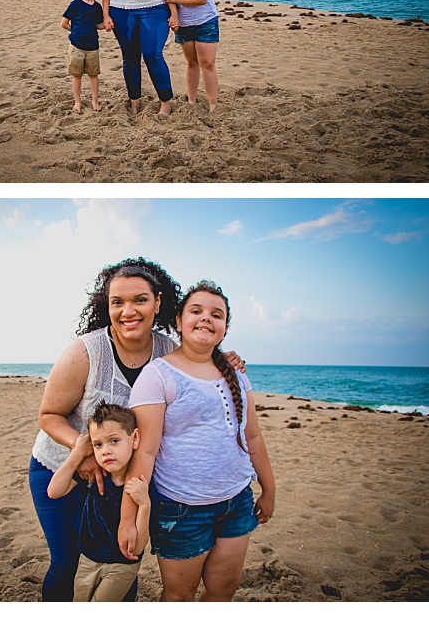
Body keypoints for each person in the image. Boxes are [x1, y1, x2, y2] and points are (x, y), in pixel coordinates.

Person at [28, 257, 184, 601]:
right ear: (107, 307)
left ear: (158, 303)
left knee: (121, 563)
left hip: (121, 480)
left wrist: (227, 360)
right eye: (118, 302)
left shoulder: (170, 353)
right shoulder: (86, 352)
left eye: (139, 300)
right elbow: (49, 415)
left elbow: (203, 369)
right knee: (68, 565)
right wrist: (82, 451)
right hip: (61, 469)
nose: (128, 311)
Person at [122, 281, 276, 602]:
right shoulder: (158, 375)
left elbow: (253, 436)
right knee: (180, 595)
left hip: (237, 501)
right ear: (179, 321)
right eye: (196, 311)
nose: (206, 318)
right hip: (182, 509)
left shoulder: (236, 373)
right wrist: (129, 518)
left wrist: (269, 489)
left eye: (216, 315)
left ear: (225, 329)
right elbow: (145, 451)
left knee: (224, 588)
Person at [47, 401, 152, 602]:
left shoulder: (140, 484)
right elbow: (54, 491)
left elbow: (137, 548)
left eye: (114, 441)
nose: (105, 451)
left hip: (121, 566)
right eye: (98, 444)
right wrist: (78, 452)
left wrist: (145, 504)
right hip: (87, 559)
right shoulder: (97, 476)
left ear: (135, 438)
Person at [164, 0, 221, 113]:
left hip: (205, 22)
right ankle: (191, 101)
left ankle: (213, 104)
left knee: (207, 63)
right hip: (184, 26)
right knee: (191, 62)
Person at [61, 0, 104, 114]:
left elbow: (98, 24)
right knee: (77, 75)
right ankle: (77, 102)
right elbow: (64, 23)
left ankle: (95, 101)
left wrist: (107, 25)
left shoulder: (97, 6)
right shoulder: (75, 4)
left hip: (93, 46)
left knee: (93, 74)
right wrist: (76, 32)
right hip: (76, 46)